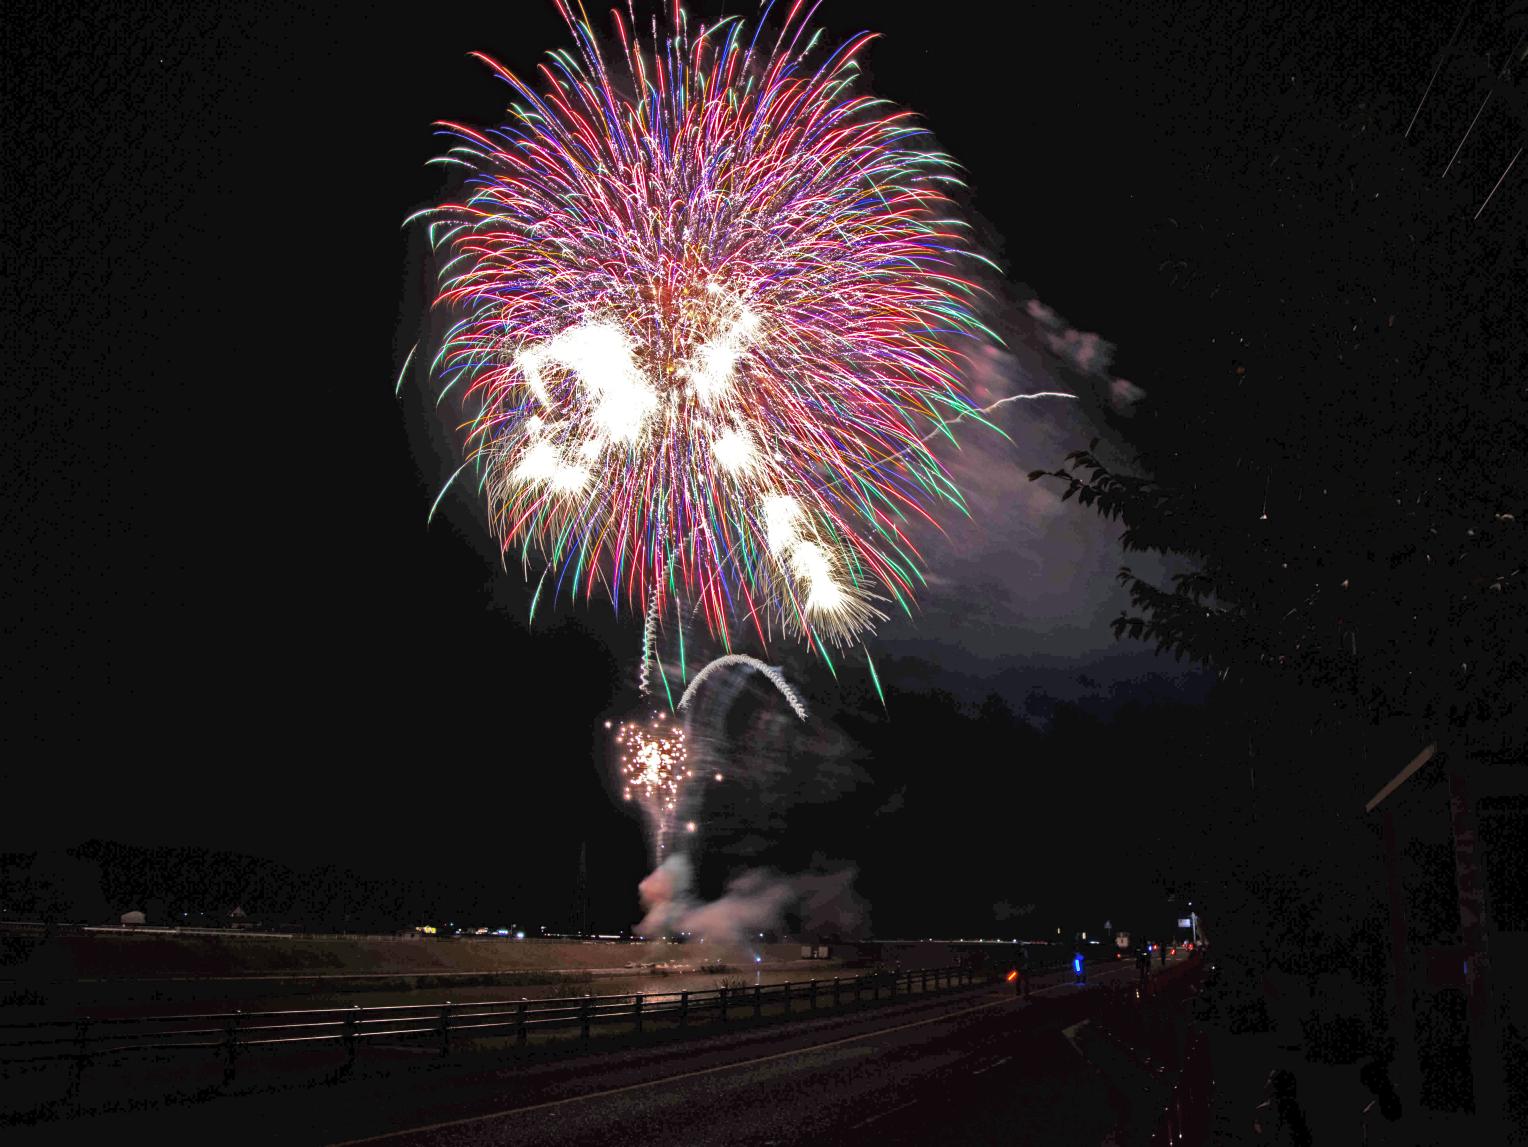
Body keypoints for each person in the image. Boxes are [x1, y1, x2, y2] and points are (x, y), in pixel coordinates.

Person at [1253, 1068, 1313, 1146]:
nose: (1268, 1083)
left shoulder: (1295, 1111)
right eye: (1270, 1079)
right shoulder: (1261, 1111)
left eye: (1273, 1080)